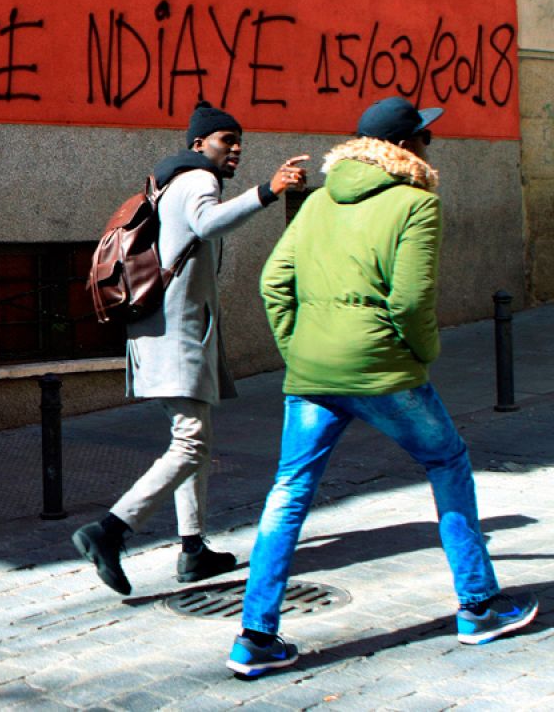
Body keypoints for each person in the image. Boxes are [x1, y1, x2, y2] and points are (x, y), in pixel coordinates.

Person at [226, 96, 538, 679]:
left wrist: (299, 348)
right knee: (447, 462)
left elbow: (274, 282)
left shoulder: (317, 200)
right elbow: (412, 300)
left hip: (313, 373)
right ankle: (478, 606)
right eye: (425, 135)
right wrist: (421, 354)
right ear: (406, 147)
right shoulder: (416, 203)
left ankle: (254, 638)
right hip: (383, 370)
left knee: (288, 492)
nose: (431, 144)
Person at [73, 102, 309, 595]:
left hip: (165, 332)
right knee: (191, 443)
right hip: (176, 335)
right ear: (200, 144)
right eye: (226, 139)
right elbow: (206, 224)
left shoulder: (171, 182)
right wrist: (268, 192)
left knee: (191, 442)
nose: (237, 148)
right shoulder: (199, 179)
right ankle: (110, 530)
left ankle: (194, 550)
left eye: (239, 140)